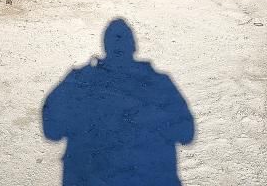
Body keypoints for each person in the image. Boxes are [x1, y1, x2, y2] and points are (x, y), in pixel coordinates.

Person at [43, 19, 194, 185]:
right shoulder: (159, 84)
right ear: (134, 47)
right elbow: (186, 133)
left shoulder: (80, 82)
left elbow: (52, 130)